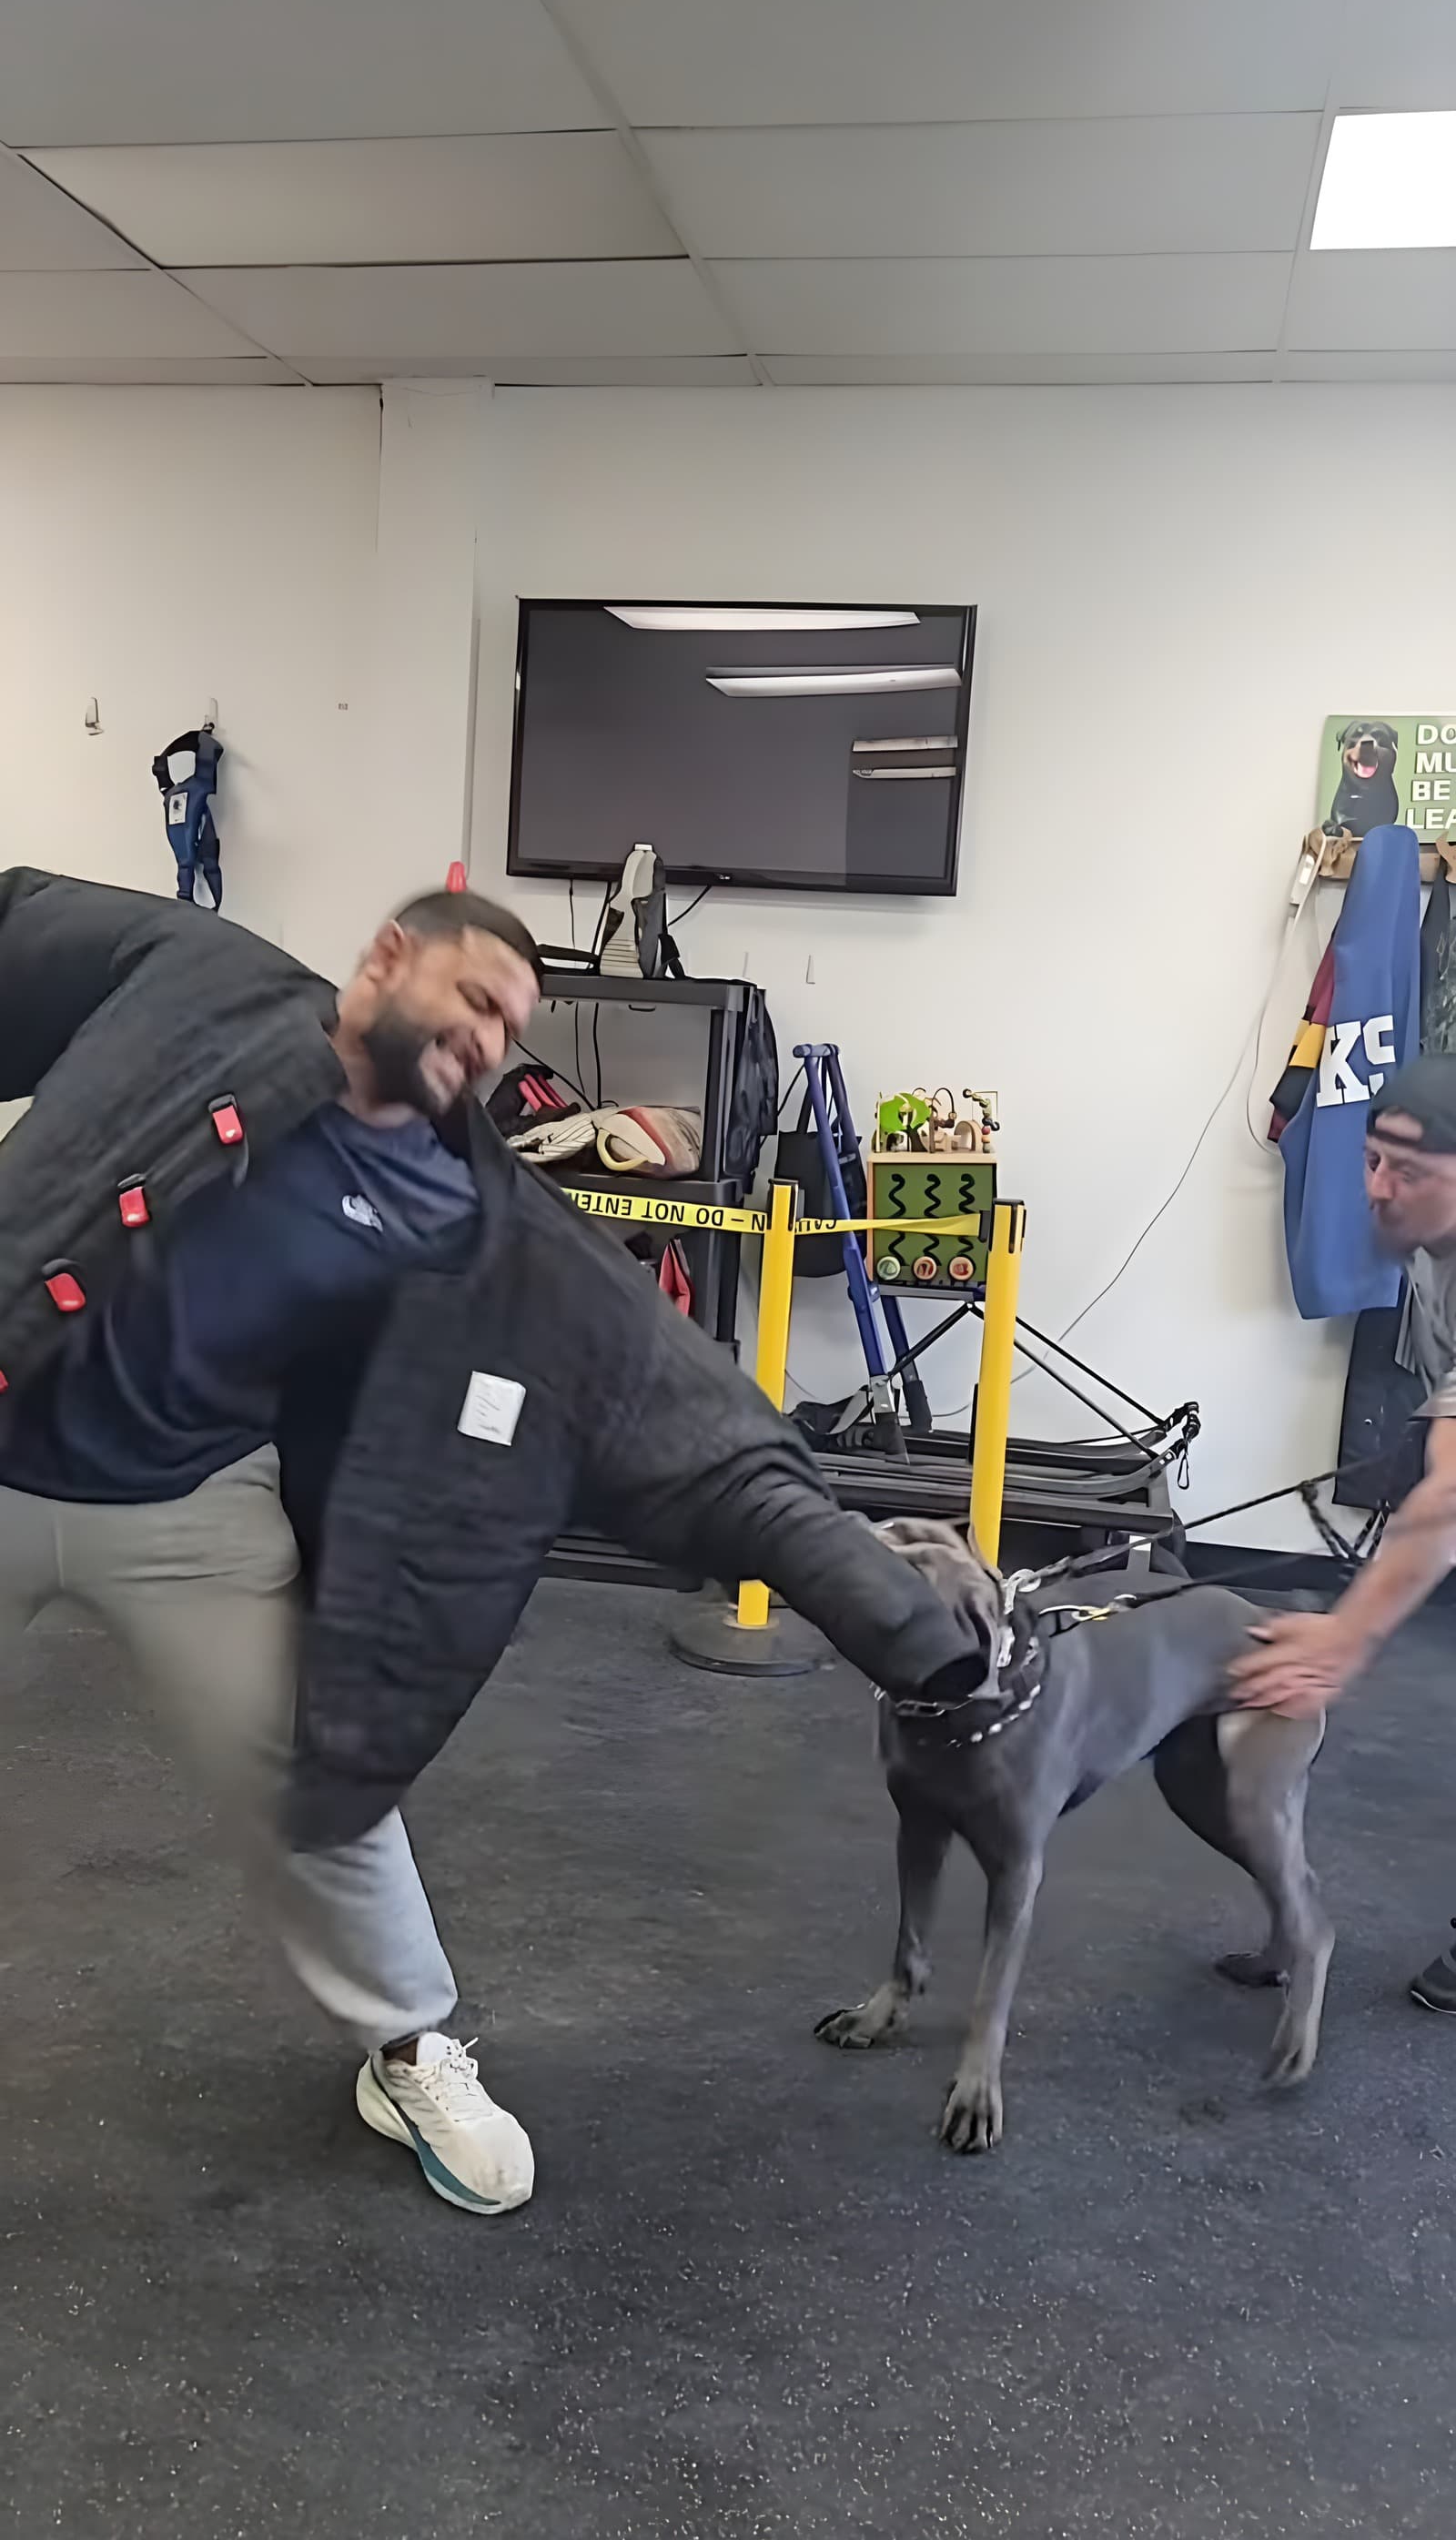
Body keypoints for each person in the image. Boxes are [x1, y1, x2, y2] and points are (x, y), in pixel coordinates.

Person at [0, 869, 986, 2218]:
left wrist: (904, 1624)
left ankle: (408, 2043)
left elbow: (687, 1419)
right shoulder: (199, 984)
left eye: (506, 1031)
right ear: (387, 957)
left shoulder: (480, 1221)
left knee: (320, 1773)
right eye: (472, 1001)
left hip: (188, 1500)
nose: (482, 1043)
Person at [1230, 1055, 1456, 2010]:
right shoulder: (1433, 1254)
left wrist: (1341, 1635)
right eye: (1370, 1160)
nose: (1375, 1187)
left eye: (1405, 1170)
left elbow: (1448, 1501)